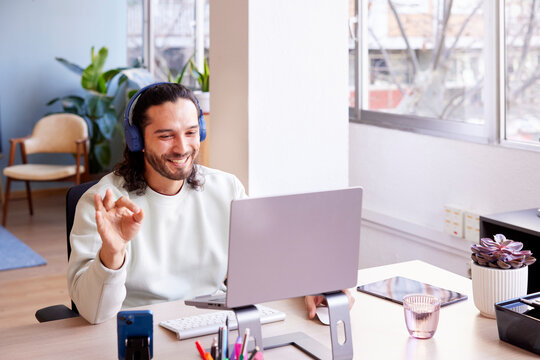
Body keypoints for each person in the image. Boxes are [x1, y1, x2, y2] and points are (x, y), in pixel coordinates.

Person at [67, 82, 352, 324]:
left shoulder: (225, 188)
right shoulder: (103, 203)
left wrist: (313, 282)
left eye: (191, 132)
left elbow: (269, 256)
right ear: (137, 140)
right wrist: (112, 254)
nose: (182, 147)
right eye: (166, 136)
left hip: (213, 326)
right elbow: (94, 313)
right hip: (139, 330)